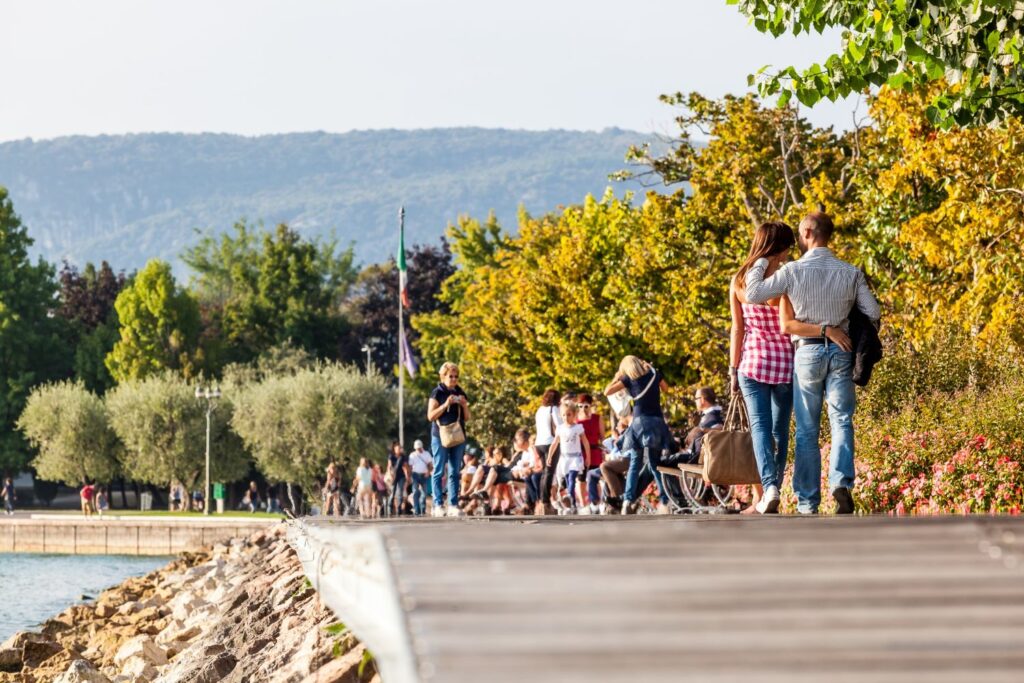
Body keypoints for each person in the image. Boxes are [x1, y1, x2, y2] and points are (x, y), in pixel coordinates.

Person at [746, 211, 881, 514]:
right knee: (842, 420)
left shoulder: (793, 271)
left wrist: (761, 260)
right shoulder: (850, 272)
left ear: (807, 232)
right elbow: (872, 311)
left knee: (807, 428)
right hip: (841, 350)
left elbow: (754, 293)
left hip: (806, 353)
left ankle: (808, 501)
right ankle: (841, 482)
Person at [730, 221, 796, 515]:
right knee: (780, 431)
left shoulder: (740, 280)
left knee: (760, 427)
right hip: (784, 363)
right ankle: (774, 488)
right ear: (779, 246)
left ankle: (768, 488)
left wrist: (733, 369)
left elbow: (737, 329)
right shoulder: (784, 279)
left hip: (752, 362)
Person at [604, 356, 673, 515]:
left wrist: (617, 377)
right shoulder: (655, 374)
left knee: (635, 462)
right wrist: (651, 369)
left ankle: (627, 501)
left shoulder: (628, 379)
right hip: (656, 421)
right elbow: (666, 388)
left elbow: (607, 391)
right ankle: (665, 501)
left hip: (639, 423)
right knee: (655, 464)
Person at [427, 362, 471, 518]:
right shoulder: (437, 393)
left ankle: (453, 504)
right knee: (439, 470)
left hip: (458, 435)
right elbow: (430, 416)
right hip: (440, 435)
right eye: (450, 376)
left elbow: (467, 417)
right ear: (443, 376)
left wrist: (464, 405)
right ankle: (438, 504)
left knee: (454, 471)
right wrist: (446, 404)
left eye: (456, 376)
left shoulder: (460, 391)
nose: (453, 379)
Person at [549, 400, 591, 514]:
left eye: (569, 414)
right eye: (563, 415)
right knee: (568, 481)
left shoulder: (578, 428)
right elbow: (555, 443)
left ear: (574, 415)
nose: (566, 417)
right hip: (564, 459)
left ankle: (570, 500)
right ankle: (572, 505)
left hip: (575, 458)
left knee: (572, 479)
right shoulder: (560, 428)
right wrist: (549, 457)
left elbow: (585, 442)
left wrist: (588, 457)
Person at [533, 389, 562, 515]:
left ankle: (542, 501)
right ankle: (545, 502)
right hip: (550, 443)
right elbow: (560, 426)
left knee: (545, 473)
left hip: (539, 443)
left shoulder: (539, 410)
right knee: (549, 472)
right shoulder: (553, 409)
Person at [576, 394, 605, 514]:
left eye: (586, 406)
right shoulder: (575, 419)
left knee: (596, 478)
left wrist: (604, 452)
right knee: (581, 480)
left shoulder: (597, 418)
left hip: (595, 452)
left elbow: (602, 437)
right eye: (580, 406)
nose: (583, 408)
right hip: (580, 453)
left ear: (590, 405)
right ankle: (584, 505)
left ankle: (597, 503)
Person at [510, 429, 543, 509]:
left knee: (531, 477)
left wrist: (527, 468)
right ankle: (533, 502)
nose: (516, 442)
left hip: (537, 470)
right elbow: (522, 463)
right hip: (529, 471)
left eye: (517, 440)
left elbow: (534, 463)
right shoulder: (524, 452)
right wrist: (519, 469)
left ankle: (536, 502)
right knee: (528, 477)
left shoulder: (533, 449)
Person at [408, 439, 432, 516]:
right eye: (417, 448)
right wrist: (410, 476)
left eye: (420, 447)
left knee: (424, 493)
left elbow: (430, 465)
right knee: (415, 492)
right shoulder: (412, 455)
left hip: (424, 474)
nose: (419, 449)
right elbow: (410, 466)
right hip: (415, 474)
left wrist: (428, 472)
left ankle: (423, 509)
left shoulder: (426, 454)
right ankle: (416, 510)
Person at [386, 441, 410, 516]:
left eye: (400, 448)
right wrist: (390, 474)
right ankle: (389, 508)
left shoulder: (403, 457)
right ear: (394, 449)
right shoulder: (391, 456)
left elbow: (405, 467)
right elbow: (389, 466)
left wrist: (407, 476)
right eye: (398, 448)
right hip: (393, 476)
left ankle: (398, 509)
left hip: (401, 476)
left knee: (400, 493)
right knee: (392, 493)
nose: (399, 449)